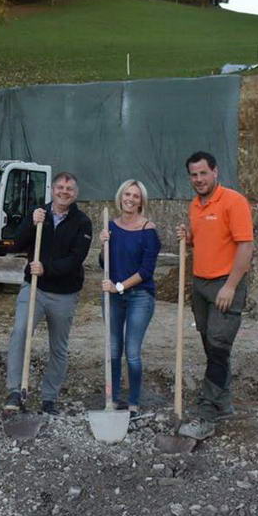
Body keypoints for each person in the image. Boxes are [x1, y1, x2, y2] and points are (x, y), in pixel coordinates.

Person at [176, 151, 254, 440]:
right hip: (201, 284)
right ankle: (224, 404)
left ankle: (206, 415)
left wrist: (230, 286)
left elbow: (245, 247)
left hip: (225, 284)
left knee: (219, 348)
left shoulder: (234, 201)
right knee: (212, 348)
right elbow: (203, 240)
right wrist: (188, 238)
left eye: (203, 173)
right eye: (194, 175)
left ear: (215, 172)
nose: (198, 179)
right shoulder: (195, 205)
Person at [3, 172, 92, 415]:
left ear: (75, 194)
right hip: (34, 288)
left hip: (64, 293)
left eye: (69, 189)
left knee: (58, 347)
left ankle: (49, 398)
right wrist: (31, 223)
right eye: (60, 187)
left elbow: (76, 259)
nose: (64, 192)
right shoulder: (38, 213)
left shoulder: (82, 222)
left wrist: (47, 269)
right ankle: (15, 391)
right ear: (52, 190)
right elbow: (16, 244)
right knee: (20, 333)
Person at [99, 179, 160, 419]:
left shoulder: (148, 231)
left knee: (132, 352)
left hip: (140, 297)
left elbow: (146, 271)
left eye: (135, 196)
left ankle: (133, 402)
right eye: (127, 194)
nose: (130, 199)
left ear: (141, 201)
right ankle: (113, 399)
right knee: (113, 350)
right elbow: (104, 263)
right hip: (113, 296)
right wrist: (103, 244)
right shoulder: (111, 227)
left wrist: (119, 287)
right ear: (120, 197)